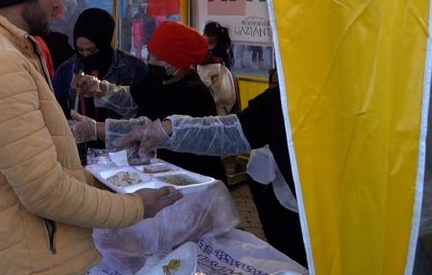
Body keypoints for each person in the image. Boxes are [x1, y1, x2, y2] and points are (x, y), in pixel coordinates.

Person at [0, 0, 182, 275]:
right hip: (33, 261)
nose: (59, 3)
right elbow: (45, 192)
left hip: (46, 252)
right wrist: (132, 207)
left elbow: (45, 168)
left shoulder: (13, 51)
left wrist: (103, 184)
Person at [74, 80, 308, 266]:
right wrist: (166, 130)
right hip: (294, 212)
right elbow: (234, 131)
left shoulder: (194, 91)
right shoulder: (282, 99)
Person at [73, 21, 228, 183]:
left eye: (159, 59)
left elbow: (147, 129)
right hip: (157, 171)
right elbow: (133, 98)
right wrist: (100, 88)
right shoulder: (157, 78)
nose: (152, 62)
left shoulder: (193, 93)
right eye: (151, 54)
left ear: (180, 62)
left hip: (192, 177)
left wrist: (96, 129)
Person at [53, 7, 147, 120]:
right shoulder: (66, 70)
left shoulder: (134, 67)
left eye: (92, 50)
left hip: (122, 136)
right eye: (80, 50)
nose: (86, 55)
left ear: (104, 43)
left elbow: (143, 111)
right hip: (79, 136)